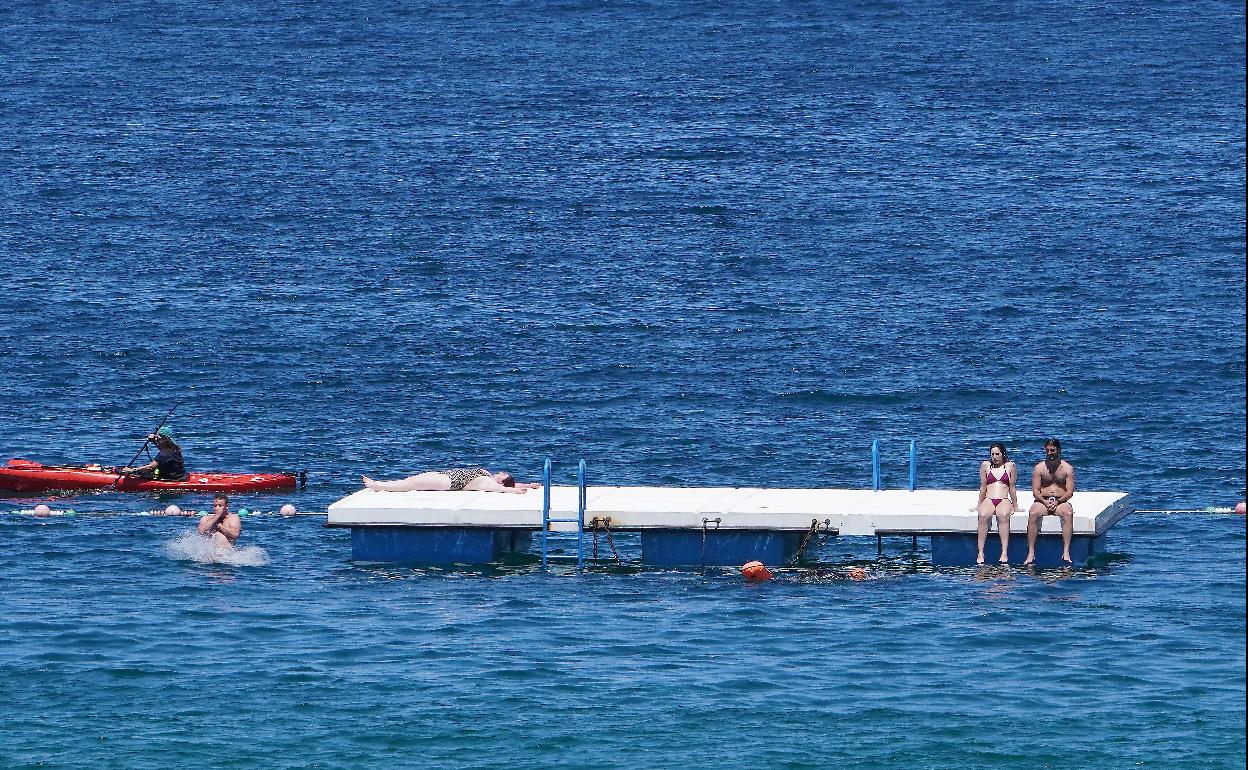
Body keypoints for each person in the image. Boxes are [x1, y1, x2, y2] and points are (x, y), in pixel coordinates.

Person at [1025, 438, 1076, 565]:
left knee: (1068, 514)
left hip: (1060, 501)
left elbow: (1069, 492)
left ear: (1059, 450)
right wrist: (1044, 502)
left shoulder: (1067, 469)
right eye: (1047, 450)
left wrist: (1058, 502)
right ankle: (1031, 552)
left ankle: (1066, 551)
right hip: (1043, 501)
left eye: (1052, 450)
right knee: (1032, 513)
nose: (1049, 453)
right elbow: (1035, 491)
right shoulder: (1039, 468)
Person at [976, 442, 1018, 565]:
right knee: (983, 515)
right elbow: (983, 487)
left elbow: (1012, 488)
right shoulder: (986, 466)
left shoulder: (1010, 466)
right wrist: (979, 504)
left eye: (997, 454)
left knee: (1003, 514)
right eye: (992, 454)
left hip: (1003, 499)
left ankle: (1004, 551)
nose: (994, 457)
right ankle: (980, 552)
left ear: (1003, 454)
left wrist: (1015, 506)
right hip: (989, 499)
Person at [361, 467, 540, 494]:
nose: (500, 472)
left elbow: (503, 489)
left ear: (501, 481)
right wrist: (530, 485)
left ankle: (377, 485)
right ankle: (380, 484)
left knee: (411, 484)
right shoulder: (489, 477)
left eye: (503, 475)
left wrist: (514, 490)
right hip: (445, 476)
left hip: (448, 482)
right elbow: (513, 484)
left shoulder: (488, 483)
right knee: (411, 480)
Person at [120, 426, 187, 481]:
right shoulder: (175, 449)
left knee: (137, 471)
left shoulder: (163, 455)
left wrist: (132, 470)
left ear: (163, 439)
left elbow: (150, 467)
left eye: (157, 437)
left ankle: (118, 471)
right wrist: (154, 441)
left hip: (169, 479)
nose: (156, 438)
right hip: (180, 476)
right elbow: (162, 448)